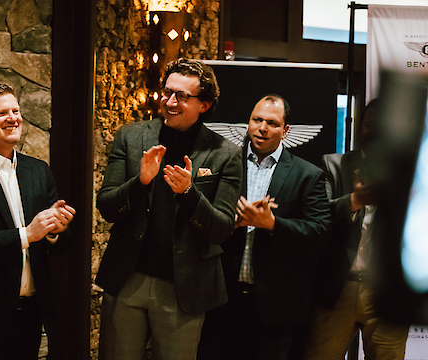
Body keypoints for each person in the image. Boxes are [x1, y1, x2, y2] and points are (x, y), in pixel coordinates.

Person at [96, 58, 243, 360]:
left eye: (182, 96)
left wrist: (189, 194)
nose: (170, 102)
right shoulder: (131, 136)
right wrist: (141, 182)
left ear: (204, 105)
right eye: (167, 92)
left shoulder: (225, 154)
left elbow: (222, 229)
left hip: (184, 288)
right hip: (128, 279)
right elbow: (107, 207)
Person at [197, 94, 332, 360]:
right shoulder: (223, 163)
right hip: (222, 300)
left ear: (285, 130)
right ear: (247, 123)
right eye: (257, 120)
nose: (262, 128)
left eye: (271, 122)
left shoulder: (308, 174)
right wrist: (231, 223)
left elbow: (320, 233)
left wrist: (272, 224)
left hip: (276, 307)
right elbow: (202, 218)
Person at [0, 82, 75, 360]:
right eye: (1, 113)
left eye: (15, 110)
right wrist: (26, 235)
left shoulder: (38, 170)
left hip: (31, 312)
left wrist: (56, 230)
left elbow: (61, 245)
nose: (13, 118)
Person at [303, 99, 410, 359]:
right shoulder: (333, 165)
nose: (374, 133)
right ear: (359, 128)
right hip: (337, 288)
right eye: (368, 125)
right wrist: (355, 200)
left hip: (387, 292)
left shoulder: (410, 173)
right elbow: (319, 216)